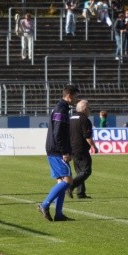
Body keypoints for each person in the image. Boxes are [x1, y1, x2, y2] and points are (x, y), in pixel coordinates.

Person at [37, 84, 80, 222]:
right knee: (68, 181)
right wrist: (65, 152)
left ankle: (59, 214)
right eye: (75, 97)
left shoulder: (61, 108)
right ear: (69, 96)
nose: (76, 100)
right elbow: (58, 133)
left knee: (61, 181)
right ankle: (44, 205)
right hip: (57, 150)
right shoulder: (61, 109)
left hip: (53, 148)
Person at [68, 100, 99, 200]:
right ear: (85, 109)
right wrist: (94, 146)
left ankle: (81, 193)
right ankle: (70, 186)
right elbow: (87, 136)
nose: (90, 111)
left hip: (72, 148)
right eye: (89, 108)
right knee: (86, 171)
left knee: (79, 172)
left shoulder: (71, 118)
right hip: (81, 149)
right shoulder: (84, 119)